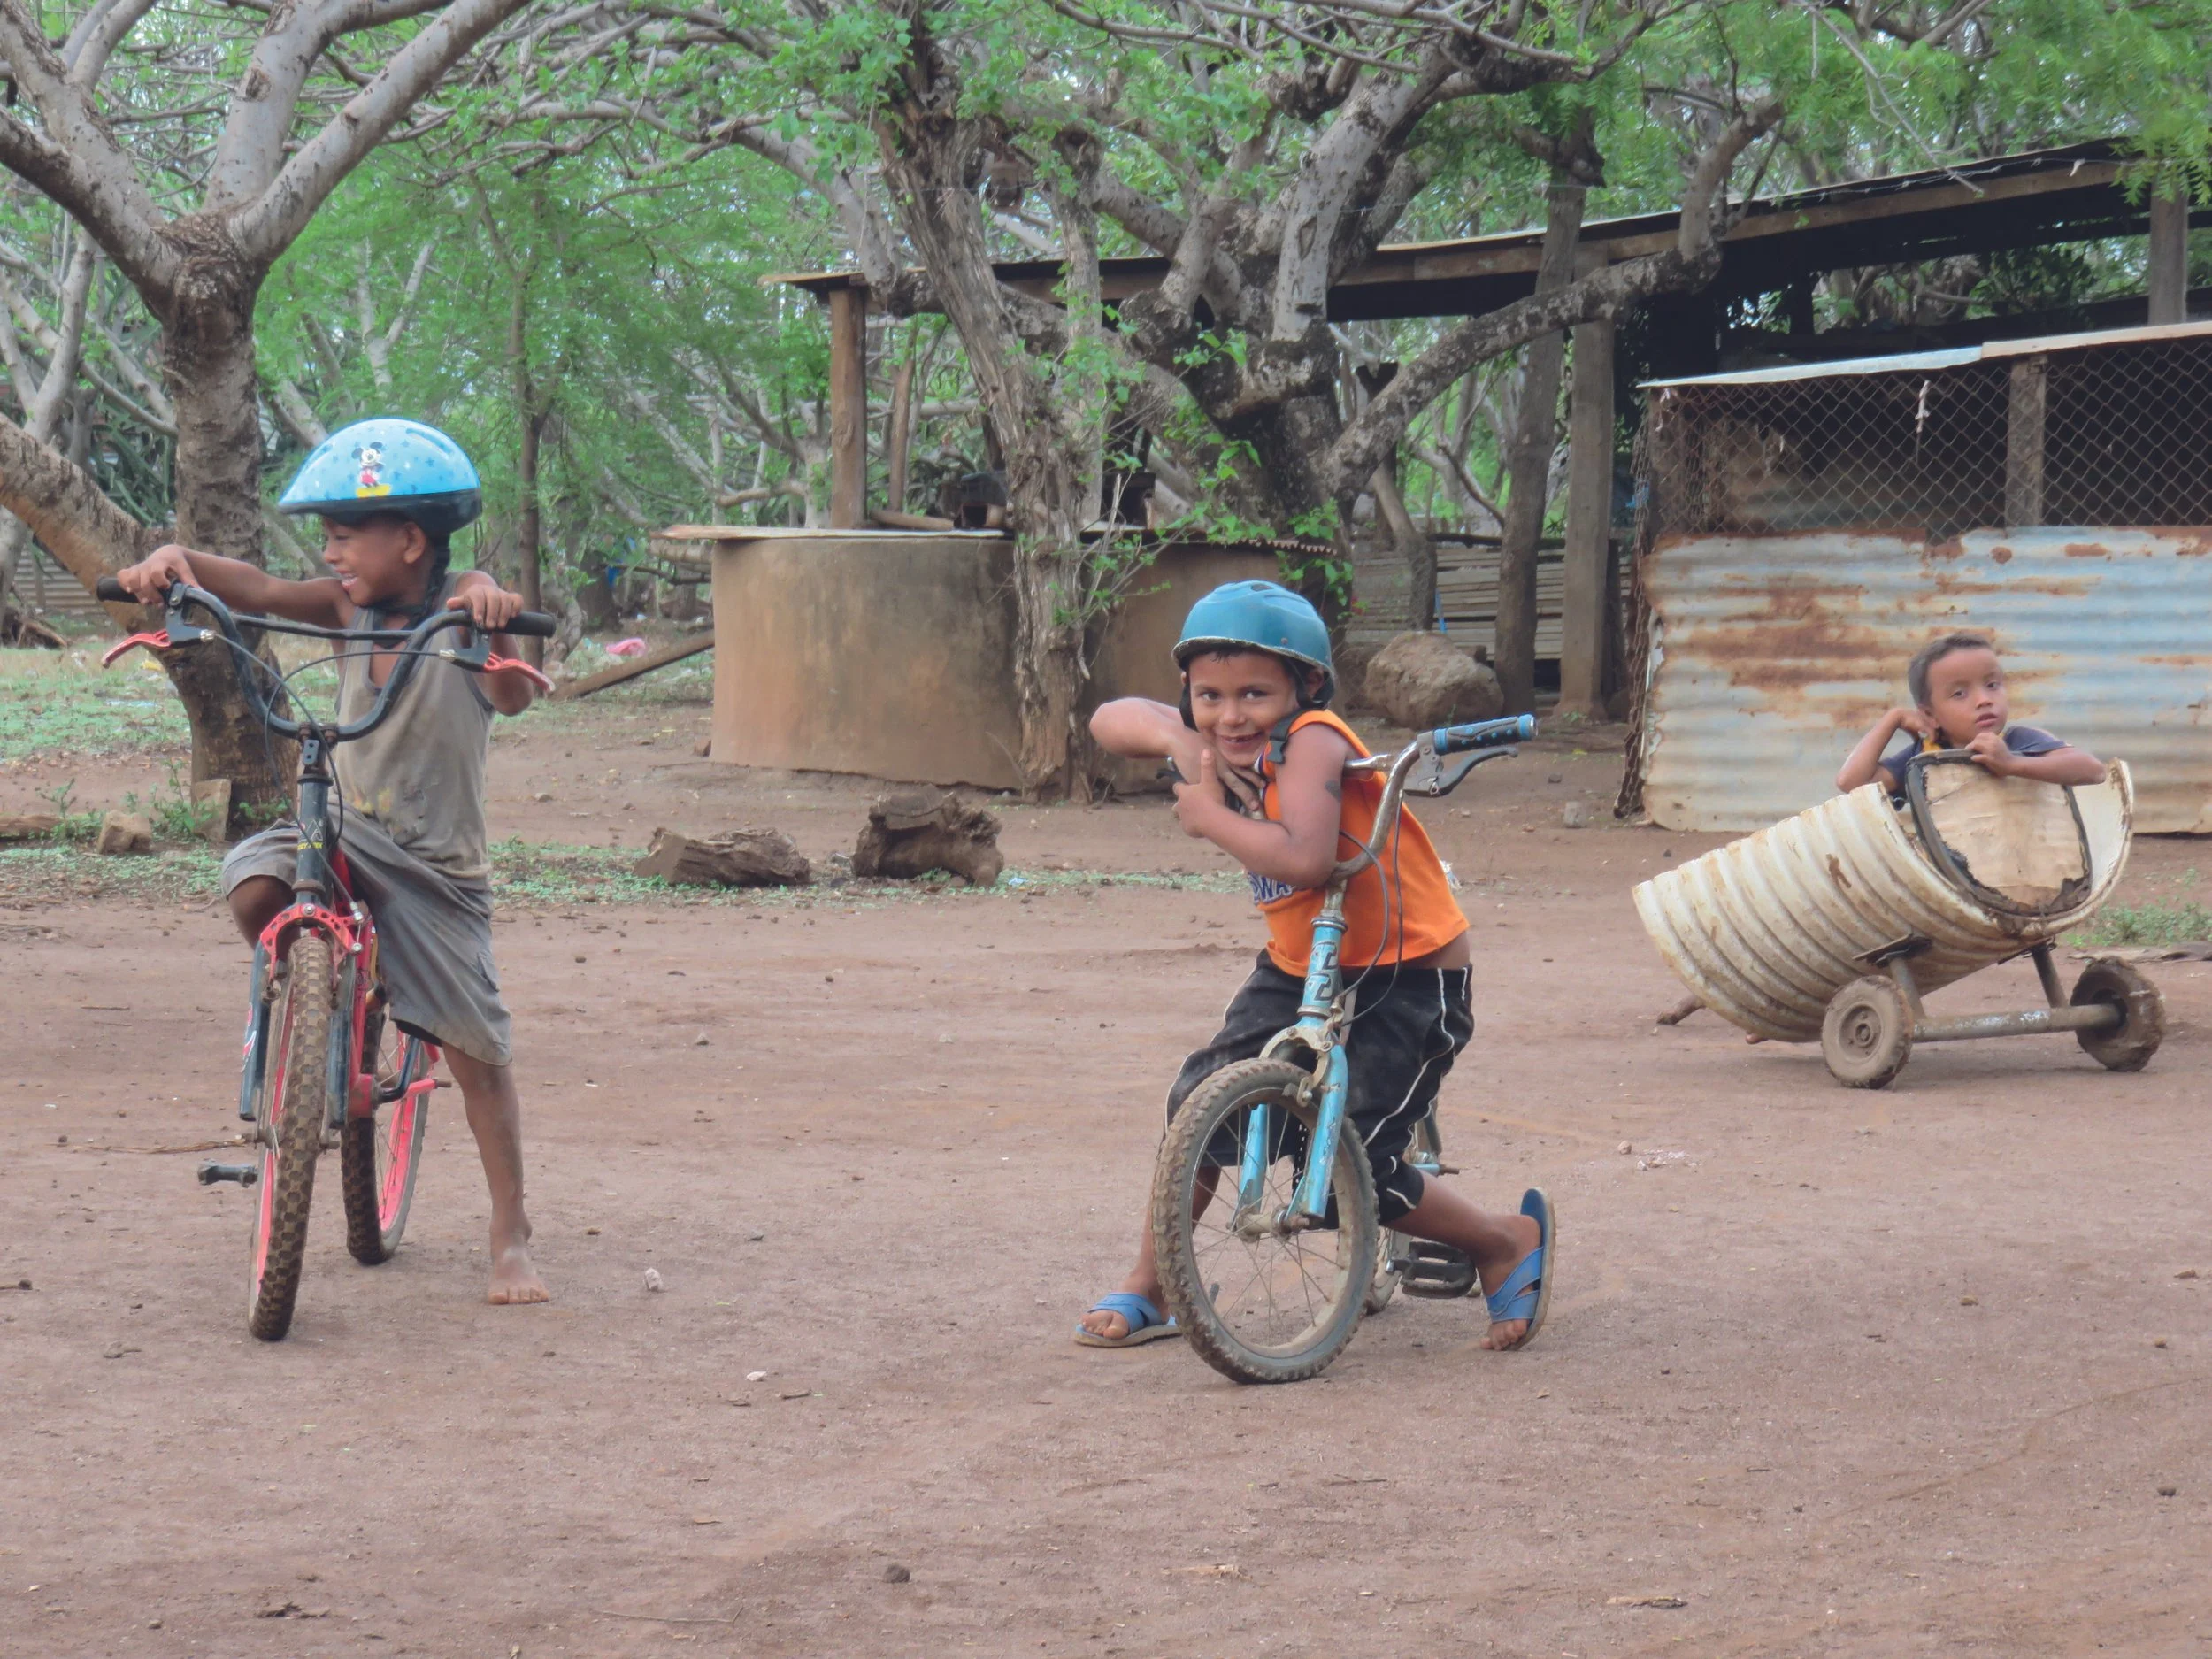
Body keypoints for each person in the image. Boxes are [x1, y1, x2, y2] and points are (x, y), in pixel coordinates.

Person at [112, 418, 550, 1307]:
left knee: (476, 1051)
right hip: (341, 831)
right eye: (328, 535)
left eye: (346, 534)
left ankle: (511, 1231)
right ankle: (313, 1010)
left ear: (412, 540)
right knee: (258, 884)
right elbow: (263, 587)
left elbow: (510, 687)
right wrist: (177, 561)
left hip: (433, 865)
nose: (331, 551)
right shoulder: (349, 606)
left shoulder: (465, 606)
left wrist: (493, 607)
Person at [1074, 580, 1553, 1353]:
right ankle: (1154, 1282)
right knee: (1198, 1099)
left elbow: (1303, 860)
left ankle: (1501, 1239)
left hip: (1405, 974)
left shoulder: (1315, 741)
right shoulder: (1215, 732)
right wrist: (1177, 739)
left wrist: (1212, 818)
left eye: (1256, 693)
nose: (1231, 714)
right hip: (1301, 965)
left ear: (1306, 686)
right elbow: (1109, 719)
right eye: (1209, 695)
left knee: (1344, 1165)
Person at [1836, 632, 2104, 796]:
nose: (1984, 700)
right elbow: (1852, 783)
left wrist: (2012, 764)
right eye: (1959, 694)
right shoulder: (1925, 758)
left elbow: (2092, 771)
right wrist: (1892, 718)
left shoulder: (2018, 742)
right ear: (1930, 715)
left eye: (1992, 685)